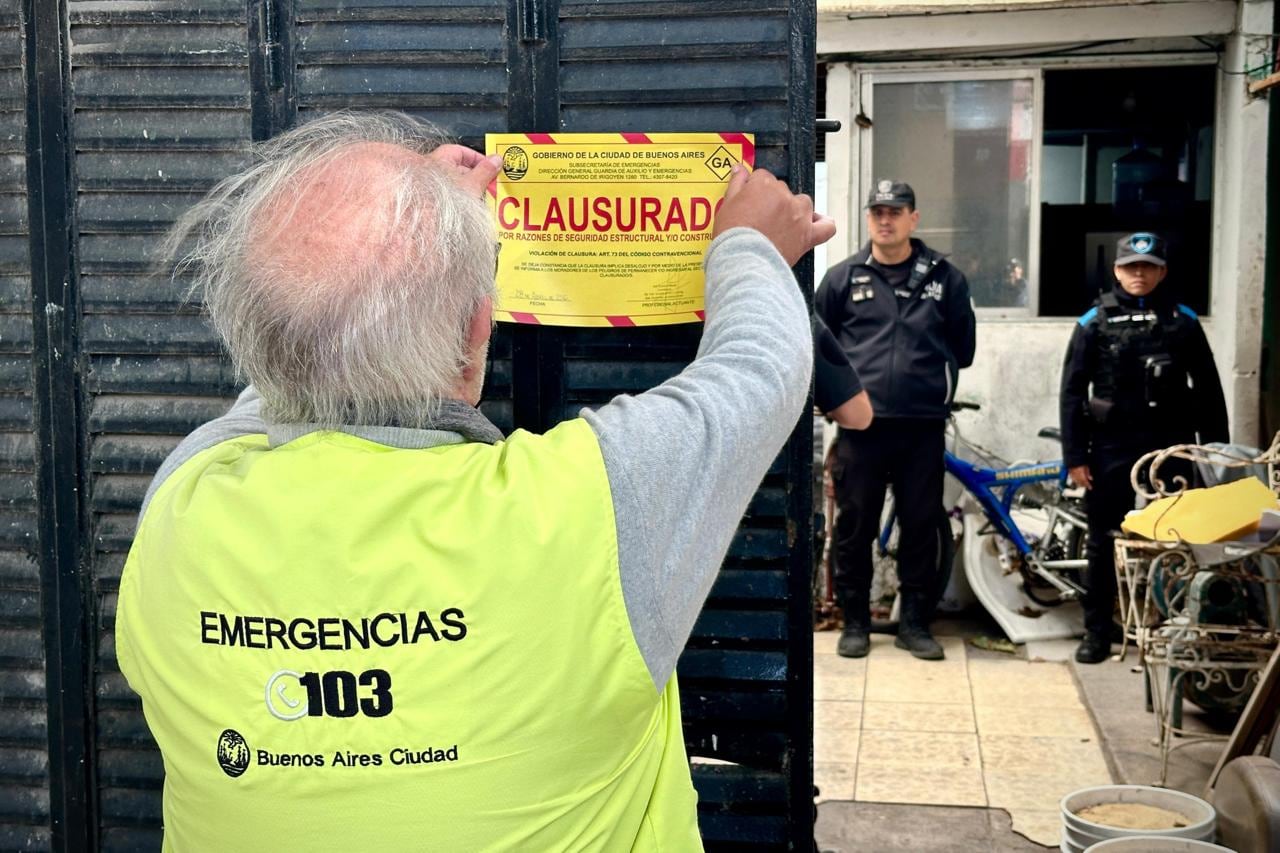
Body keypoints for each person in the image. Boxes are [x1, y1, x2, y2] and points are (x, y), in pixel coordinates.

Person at [113, 111, 834, 848]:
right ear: (474, 333)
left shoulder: (184, 506)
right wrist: (750, 244)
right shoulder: (583, 508)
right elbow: (758, 372)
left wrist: (401, 236)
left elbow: (290, 369)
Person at [814, 180, 976, 661]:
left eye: (895, 211)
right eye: (877, 212)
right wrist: (831, 400)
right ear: (868, 219)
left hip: (922, 425)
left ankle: (914, 625)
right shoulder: (842, 279)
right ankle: (855, 623)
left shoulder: (946, 279)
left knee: (921, 525)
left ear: (913, 218)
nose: (885, 220)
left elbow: (963, 349)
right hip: (860, 427)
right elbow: (816, 344)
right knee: (855, 525)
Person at [1060, 231, 1228, 663]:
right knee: (1103, 541)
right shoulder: (1094, 321)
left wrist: (1214, 452)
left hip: (1170, 445)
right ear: (1117, 270)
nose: (1139, 273)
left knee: (1176, 538)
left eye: (1148, 267)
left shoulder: (1182, 320)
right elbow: (1072, 392)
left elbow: (1208, 389)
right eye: (1131, 267)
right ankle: (1097, 632)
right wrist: (1075, 457)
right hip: (1111, 446)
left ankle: (1171, 626)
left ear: (1162, 272)